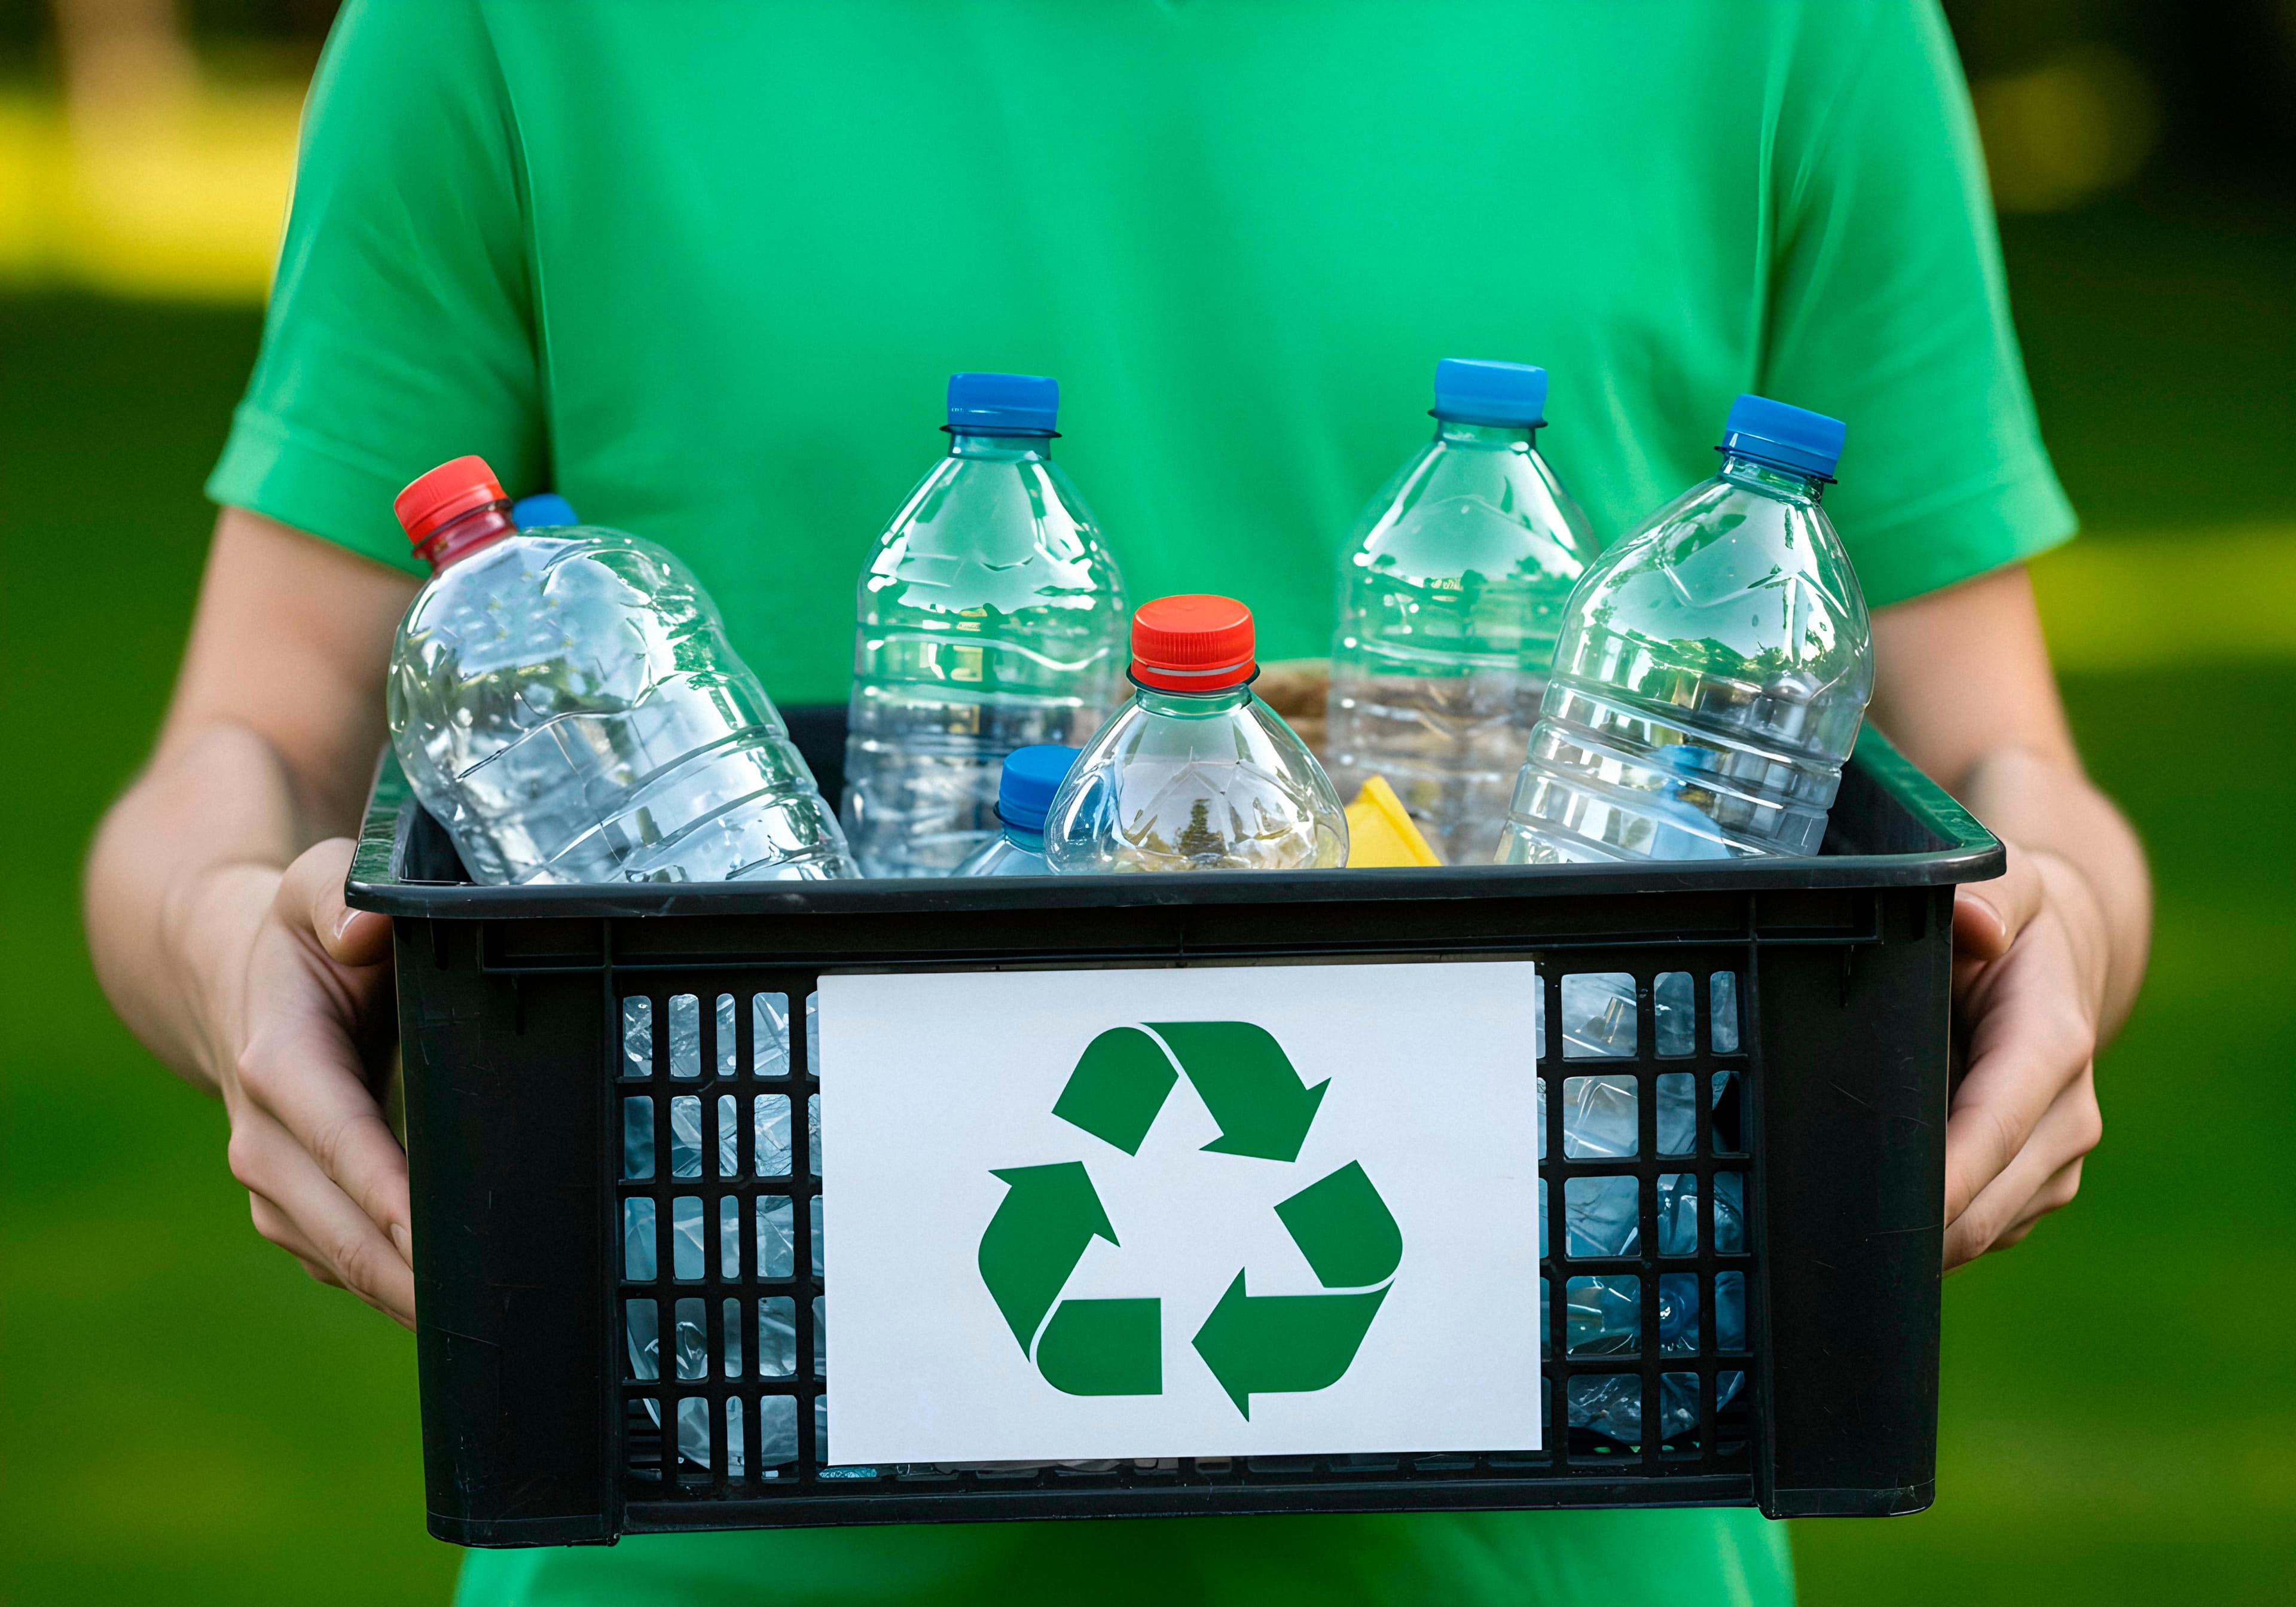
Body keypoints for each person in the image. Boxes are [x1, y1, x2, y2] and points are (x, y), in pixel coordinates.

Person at [82, 2, 2151, 1603]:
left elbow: (2000, 764)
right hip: (698, 1526)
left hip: (1571, 1514)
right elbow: (233, 750)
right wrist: (215, 951)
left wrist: (2059, 936)